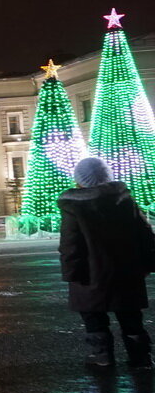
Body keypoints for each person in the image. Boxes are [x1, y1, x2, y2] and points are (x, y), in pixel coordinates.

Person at [59, 156, 155, 369]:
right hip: (127, 272)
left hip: (91, 274)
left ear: (80, 180)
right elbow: (145, 235)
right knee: (131, 316)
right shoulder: (123, 200)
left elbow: (70, 244)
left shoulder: (74, 207)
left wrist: (71, 272)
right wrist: (148, 263)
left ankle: (101, 355)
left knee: (94, 317)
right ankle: (141, 357)